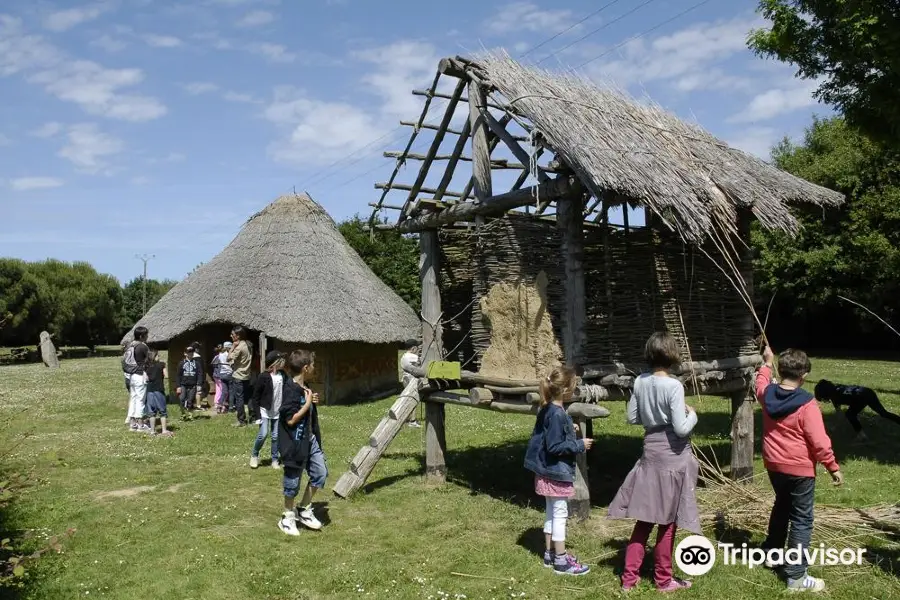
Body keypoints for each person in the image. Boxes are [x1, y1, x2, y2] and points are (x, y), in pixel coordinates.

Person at [608, 332, 699, 592]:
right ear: (672, 354)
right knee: (668, 520)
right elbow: (681, 429)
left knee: (645, 518)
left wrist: (653, 414)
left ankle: (629, 579)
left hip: (650, 452)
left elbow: (632, 417)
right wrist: (691, 415)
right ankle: (663, 580)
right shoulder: (674, 386)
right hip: (672, 456)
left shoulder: (640, 382)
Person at [756, 346, 843, 593]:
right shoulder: (807, 404)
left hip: (773, 466)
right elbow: (819, 441)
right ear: (803, 375)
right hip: (800, 471)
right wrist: (832, 466)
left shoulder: (767, 394)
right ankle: (796, 576)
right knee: (802, 519)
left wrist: (765, 362)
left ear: (780, 370)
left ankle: (770, 553)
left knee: (782, 506)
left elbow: (760, 382)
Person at [524, 365, 593, 576]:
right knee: (560, 514)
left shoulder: (549, 408)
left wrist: (568, 430)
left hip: (545, 472)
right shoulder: (557, 414)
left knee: (550, 512)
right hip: (555, 472)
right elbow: (554, 447)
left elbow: (549, 435)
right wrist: (579, 444)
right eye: (573, 386)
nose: (575, 389)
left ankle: (549, 554)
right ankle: (562, 561)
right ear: (565, 390)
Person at [277, 349, 327, 536]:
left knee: (320, 473)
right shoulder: (289, 388)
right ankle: (287, 516)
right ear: (305, 368)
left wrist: (311, 401)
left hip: (310, 440)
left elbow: (304, 406)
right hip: (295, 443)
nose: (314, 368)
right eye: (313, 365)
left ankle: (303, 509)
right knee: (292, 481)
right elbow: (290, 420)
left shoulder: (304, 386)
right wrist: (306, 405)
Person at [813, 379, 900, 440]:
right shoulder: (836, 388)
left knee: (850, 414)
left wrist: (834, 428)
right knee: (883, 413)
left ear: (825, 394)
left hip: (860, 396)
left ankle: (861, 436)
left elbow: (840, 415)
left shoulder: (835, 397)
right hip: (868, 392)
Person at [250, 350, 285, 469]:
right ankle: (254, 455)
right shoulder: (263, 376)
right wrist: (257, 416)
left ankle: (275, 459)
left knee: (275, 436)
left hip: (277, 411)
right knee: (263, 434)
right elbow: (255, 397)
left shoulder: (282, 375)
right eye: (281, 361)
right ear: (275, 363)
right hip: (264, 410)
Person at [123, 326, 151, 432]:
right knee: (140, 400)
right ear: (141, 336)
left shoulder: (130, 345)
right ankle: (140, 425)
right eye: (146, 335)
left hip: (131, 375)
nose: (147, 337)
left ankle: (132, 424)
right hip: (140, 374)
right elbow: (149, 360)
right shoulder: (142, 346)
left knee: (133, 399)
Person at [228, 326, 253, 427]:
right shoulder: (249, 344)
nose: (231, 336)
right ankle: (253, 416)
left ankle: (241, 420)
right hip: (247, 375)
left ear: (238, 336)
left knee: (239, 399)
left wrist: (232, 347)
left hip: (238, 375)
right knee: (248, 397)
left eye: (232, 334)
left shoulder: (239, 347)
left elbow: (228, 358)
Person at [144, 349, 173, 437]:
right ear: (155, 356)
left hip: (149, 390)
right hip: (159, 389)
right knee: (162, 411)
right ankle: (164, 430)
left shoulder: (146, 366)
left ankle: (152, 431)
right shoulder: (161, 365)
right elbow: (167, 376)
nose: (159, 357)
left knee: (151, 412)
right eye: (158, 355)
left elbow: (146, 379)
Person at [400, 342, 421, 428]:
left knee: (407, 398)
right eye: (416, 348)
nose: (417, 350)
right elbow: (421, 362)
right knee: (414, 398)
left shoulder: (404, 356)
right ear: (413, 348)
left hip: (405, 378)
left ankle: (405, 417)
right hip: (411, 379)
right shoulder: (413, 356)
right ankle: (412, 420)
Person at [177, 346, 201, 418]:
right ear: (185, 353)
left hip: (193, 384)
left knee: (190, 400)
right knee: (182, 399)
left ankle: (190, 415)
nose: (191, 354)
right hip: (183, 384)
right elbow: (178, 375)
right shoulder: (181, 363)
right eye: (189, 352)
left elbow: (200, 374)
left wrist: (199, 384)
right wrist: (178, 386)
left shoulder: (197, 363)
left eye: (192, 352)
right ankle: (183, 414)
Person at [212, 342, 233, 414]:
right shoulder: (230, 355)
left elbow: (214, 364)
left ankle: (219, 406)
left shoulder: (220, 355)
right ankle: (229, 407)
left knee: (224, 391)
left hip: (222, 374)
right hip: (229, 374)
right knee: (230, 392)